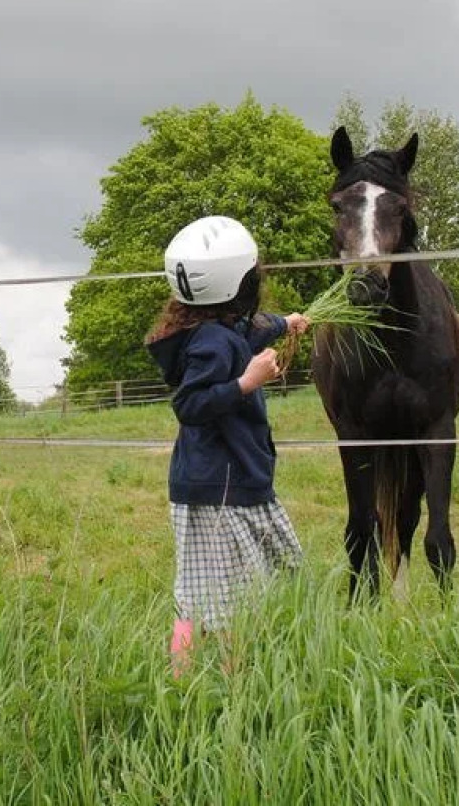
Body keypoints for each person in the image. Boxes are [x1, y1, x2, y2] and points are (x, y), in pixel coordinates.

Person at [145, 215, 309, 672]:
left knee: (196, 592)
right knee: (223, 600)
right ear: (239, 283)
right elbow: (190, 404)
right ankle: (220, 684)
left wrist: (285, 323)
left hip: (224, 482)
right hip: (219, 491)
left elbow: (250, 330)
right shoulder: (213, 343)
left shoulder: (217, 327)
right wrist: (246, 381)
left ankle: (186, 674)